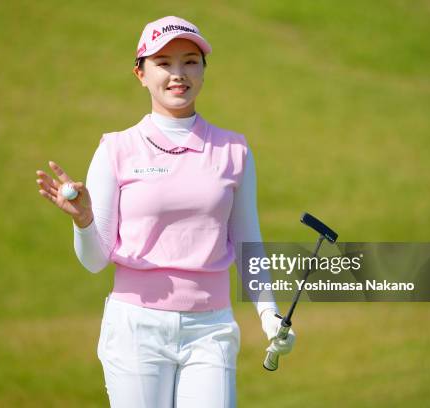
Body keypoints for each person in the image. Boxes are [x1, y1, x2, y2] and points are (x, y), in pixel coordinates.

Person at [36, 15, 295, 407]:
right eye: (163, 63)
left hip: (211, 329)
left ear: (204, 70)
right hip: (137, 329)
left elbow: (248, 244)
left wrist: (269, 315)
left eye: (190, 61)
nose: (179, 74)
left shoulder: (234, 151)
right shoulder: (115, 149)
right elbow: (94, 261)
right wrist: (84, 220)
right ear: (140, 73)